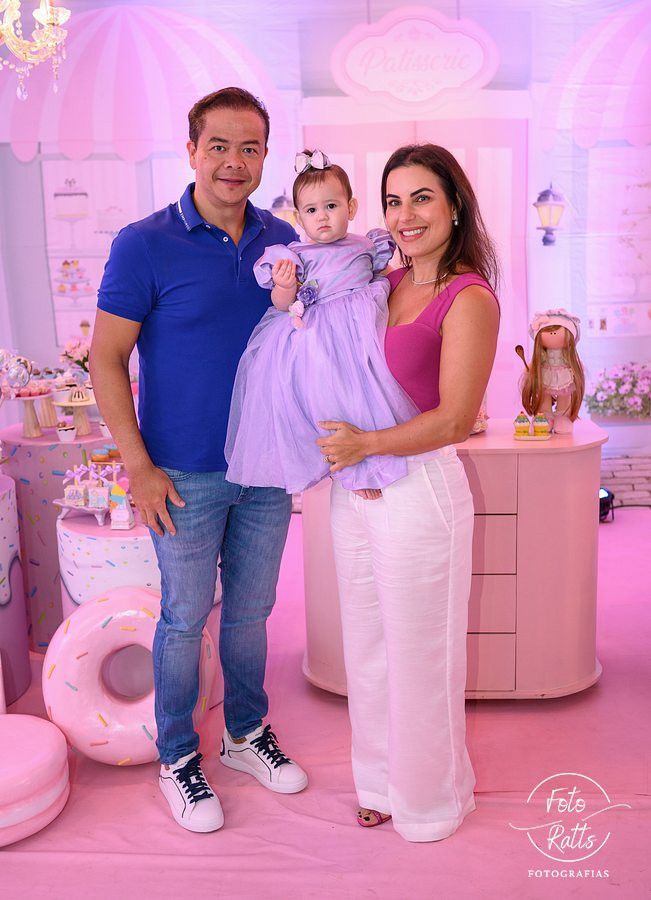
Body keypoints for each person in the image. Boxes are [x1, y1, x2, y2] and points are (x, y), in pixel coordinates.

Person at [89, 87, 308, 835]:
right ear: (190, 151)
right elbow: (106, 359)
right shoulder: (143, 243)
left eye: (249, 148)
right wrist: (139, 467)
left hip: (267, 469)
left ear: (265, 156)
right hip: (182, 475)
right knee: (184, 619)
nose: (233, 162)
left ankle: (244, 733)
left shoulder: (284, 239)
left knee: (250, 614)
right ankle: (178, 756)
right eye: (219, 146)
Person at [316, 144, 500, 842]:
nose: (404, 215)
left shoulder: (469, 297)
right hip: (355, 490)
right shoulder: (382, 283)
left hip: (419, 490)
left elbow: (454, 418)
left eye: (421, 197)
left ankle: (430, 803)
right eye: (393, 200)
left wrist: (366, 446)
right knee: (366, 648)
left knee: (421, 655)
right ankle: (378, 784)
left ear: (454, 205)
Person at [225, 149, 418, 498]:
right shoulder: (295, 255)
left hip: (362, 336)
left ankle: (375, 458)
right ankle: (346, 469)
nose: (323, 217)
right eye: (312, 210)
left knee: (368, 399)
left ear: (351, 208)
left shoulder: (367, 245)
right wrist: (285, 285)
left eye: (332, 206)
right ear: (299, 218)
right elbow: (282, 305)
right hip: (319, 338)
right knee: (328, 403)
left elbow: (389, 279)